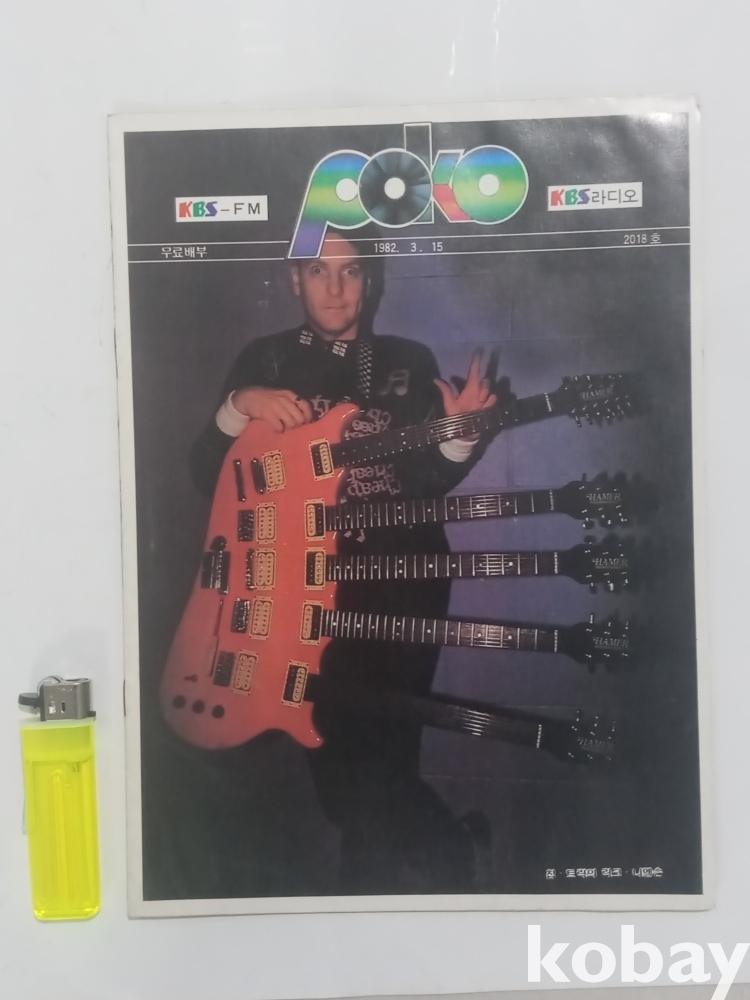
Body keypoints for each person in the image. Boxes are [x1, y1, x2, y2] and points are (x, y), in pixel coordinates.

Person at [189, 226, 497, 893]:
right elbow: (204, 475)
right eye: (318, 271)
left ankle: (370, 890)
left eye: (350, 271)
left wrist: (459, 440)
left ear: (370, 279)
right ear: (294, 278)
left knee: (388, 748)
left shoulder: (408, 359)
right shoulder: (265, 360)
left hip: (401, 583)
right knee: (333, 761)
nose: (334, 288)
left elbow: (425, 483)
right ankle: (450, 847)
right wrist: (239, 406)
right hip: (300, 592)